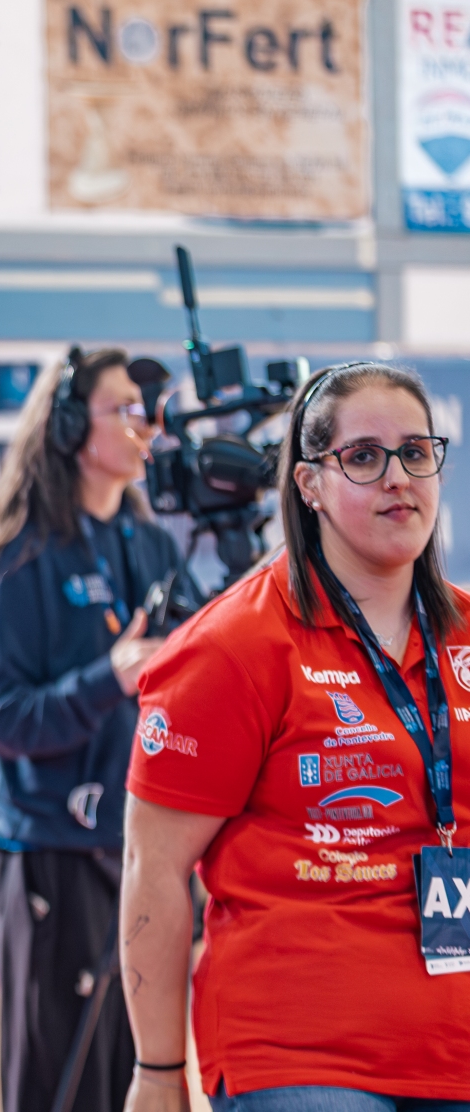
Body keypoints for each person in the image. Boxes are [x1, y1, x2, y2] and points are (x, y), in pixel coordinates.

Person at [122, 362, 470, 1111]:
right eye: (364, 456)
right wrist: (157, 1072)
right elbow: (154, 867)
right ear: (309, 483)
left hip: (454, 1047)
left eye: (416, 452)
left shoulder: (466, 633)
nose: (398, 478)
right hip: (300, 1049)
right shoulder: (231, 647)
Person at [0, 347, 185, 1112]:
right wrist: (106, 679)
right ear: (68, 427)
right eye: (123, 408)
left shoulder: (155, 546)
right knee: (57, 1087)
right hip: (50, 856)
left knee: (133, 1079)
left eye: (146, 410)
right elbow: (3, 718)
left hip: (142, 854)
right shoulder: (28, 557)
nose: (144, 425)